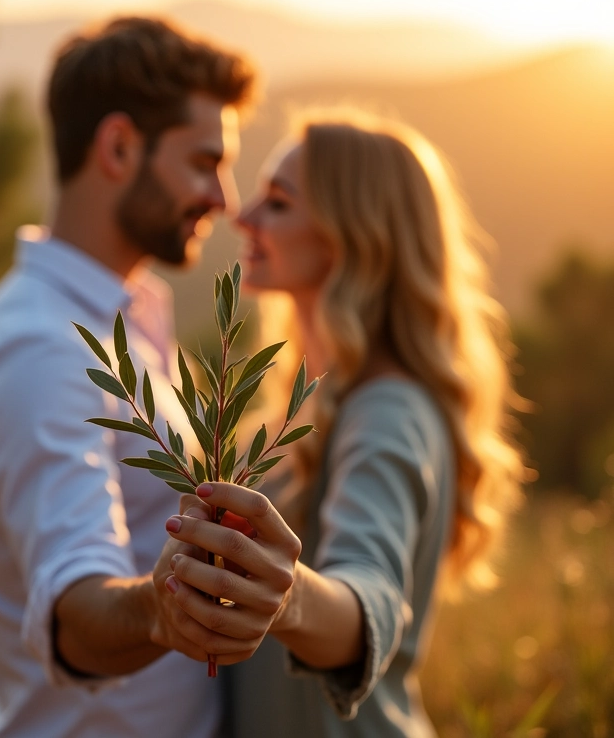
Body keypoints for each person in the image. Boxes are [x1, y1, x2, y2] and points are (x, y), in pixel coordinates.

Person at [0, 16, 301, 738]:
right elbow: (75, 609)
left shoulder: (123, 316)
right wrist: (165, 609)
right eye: (203, 161)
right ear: (119, 147)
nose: (223, 197)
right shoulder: (37, 350)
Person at [156, 109, 526, 737]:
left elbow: (372, 594)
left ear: (350, 235)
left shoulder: (388, 412)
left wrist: (287, 595)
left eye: (278, 203)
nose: (242, 217)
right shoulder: (293, 409)